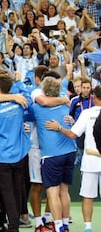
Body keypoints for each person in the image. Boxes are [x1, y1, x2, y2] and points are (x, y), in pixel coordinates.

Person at [46, 85, 101, 232]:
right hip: (91, 159)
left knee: (88, 196)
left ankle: (88, 227)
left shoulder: (87, 113)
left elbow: (72, 135)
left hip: (90, 160)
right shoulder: (86, 113)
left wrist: (59, 128)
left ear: (94, 97)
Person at [0, 73, 31, 232]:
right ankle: (10, 224)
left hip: (1, 159)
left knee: (7, 193)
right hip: (19, 156)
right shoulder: (19, 103)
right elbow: (29, 97)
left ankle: (13, 227)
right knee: (17, 191)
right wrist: (18, 84)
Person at [33, 77, 77, 232]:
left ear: (44, 91)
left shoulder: (37, 108)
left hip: (52, 156)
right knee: (64, 191)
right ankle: (64, 225)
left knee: (53, 192)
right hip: (70, 152)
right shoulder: (66, 105)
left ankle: (58, 226)